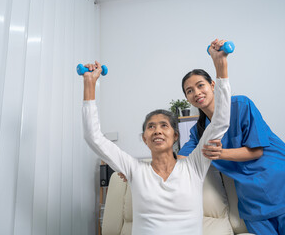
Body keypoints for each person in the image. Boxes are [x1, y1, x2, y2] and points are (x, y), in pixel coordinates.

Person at [82, 39, 231, 235]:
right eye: (151, 127)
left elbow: (220, 121)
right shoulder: (133, 169)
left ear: (175, 136)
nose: (157, 131)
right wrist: (89, 84)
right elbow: (94, 137)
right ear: (144, 138)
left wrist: (221, 66)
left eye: (164, 126)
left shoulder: (194, 165)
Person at [178, 39, 285, 234]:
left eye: (200, 85)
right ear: (187, 98)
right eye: (189, 91)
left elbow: (256, 151)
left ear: (212, 85)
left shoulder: (241, 105)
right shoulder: (198, 131)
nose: (196, 93)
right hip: (254, 204)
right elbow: (180, 160)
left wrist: (220, 153)